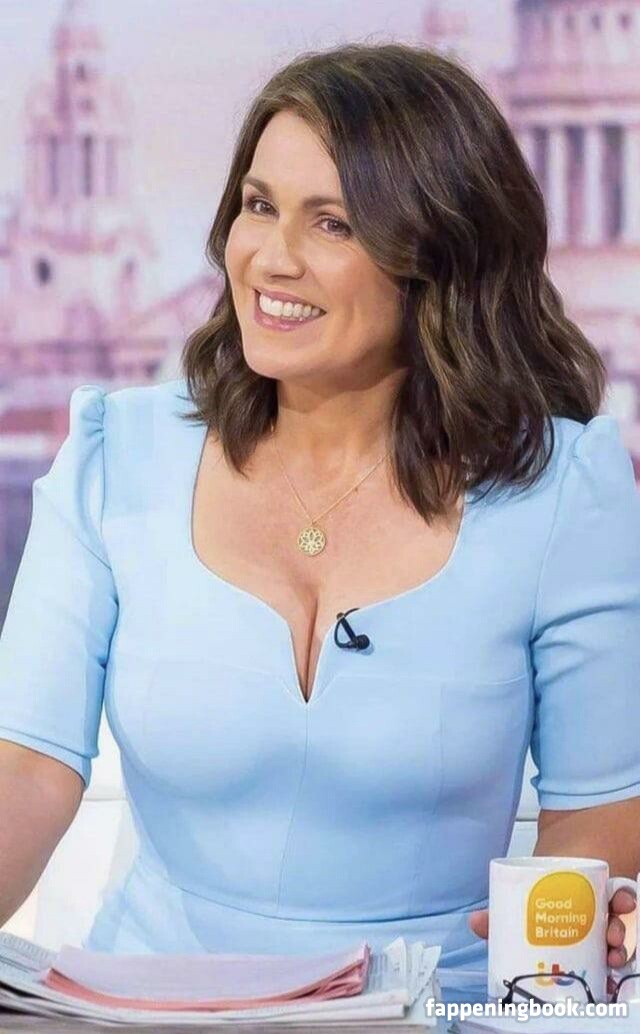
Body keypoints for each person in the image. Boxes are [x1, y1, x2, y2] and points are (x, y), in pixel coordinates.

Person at [1, 42, 639, 1003]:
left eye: (332, 222)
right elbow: (26, 769)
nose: (271, 257)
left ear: (436, 255)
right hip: (145, 1006)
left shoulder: (562, 488)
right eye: (259, 205)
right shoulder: (112, 453)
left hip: (444, 1008)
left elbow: (598, 815)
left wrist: (548, 971)